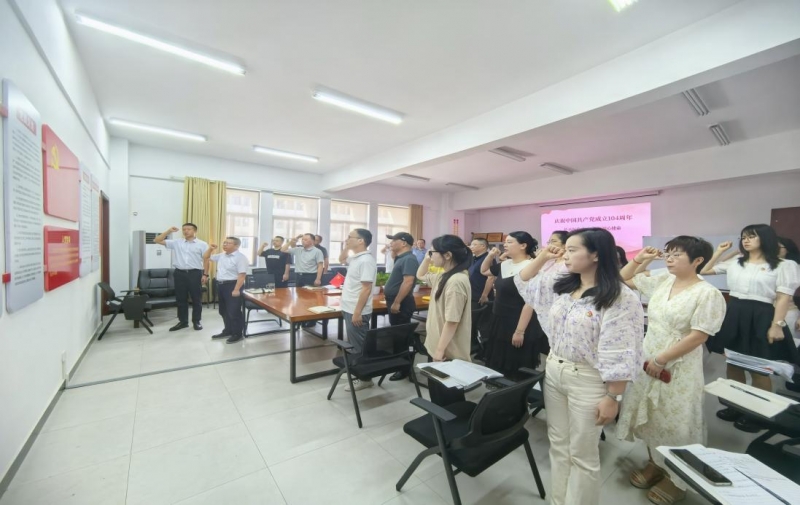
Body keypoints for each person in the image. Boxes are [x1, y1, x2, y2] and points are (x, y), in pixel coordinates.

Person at [519, 228, 644, 505]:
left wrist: (613, 396)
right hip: (555, 370)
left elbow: (622, 350)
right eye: (565, 249)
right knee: (559, 445)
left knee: (583, 454)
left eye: (572, 250)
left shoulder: (620, 297)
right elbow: (524, 280)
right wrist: (543, 256)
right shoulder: (565, 286)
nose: (565, 254)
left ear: (596, 255)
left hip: (588, 379)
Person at [617, 238, 726, 505]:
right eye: (668, 253)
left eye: (677, 255)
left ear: (697, 261)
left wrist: (662, 359)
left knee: (675, 421)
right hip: (648, 355)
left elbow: (699, 335)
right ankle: (656, 463)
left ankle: (677, 479)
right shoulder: (664, 280)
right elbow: (623, 279)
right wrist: (641, 258)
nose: (669, 259)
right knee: (650, 415)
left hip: (678, 363)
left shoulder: (707, 293)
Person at [701, 224, 800, 432]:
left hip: (762, 315)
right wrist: (718, 252)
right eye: (744, 237)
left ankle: (759, 415)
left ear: (765, 238)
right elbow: (704, 270)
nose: (746, 240)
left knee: (758, 369)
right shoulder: (737, 262)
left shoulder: (784, 265)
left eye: (751, 237)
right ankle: (736, 406)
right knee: (733, 364)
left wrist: (777, 325)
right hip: (735, 312)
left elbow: (783, 297)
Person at [479, 231, 545, 378]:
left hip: (519, 322)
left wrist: (520, 331)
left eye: (509, 242)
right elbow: (484, 271)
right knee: (498, 362)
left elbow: (530, 302)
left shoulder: (531, 266)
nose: (505, 245)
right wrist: (490, 256)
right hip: (499, 320)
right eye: (505, 242)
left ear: (523, 245)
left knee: (516, 364)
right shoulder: (505, 264)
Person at [417, 235, 473, 405]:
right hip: (438, 345)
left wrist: (440, 351)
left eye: (433, 252)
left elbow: (452, 321)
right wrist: (428, 258)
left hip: (447, 351)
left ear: (447, 255)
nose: (430, 256)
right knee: (438, 394)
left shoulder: (456, 281)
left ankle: (454, 422)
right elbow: (421, 274)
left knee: (448, 399)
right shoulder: (444, 275)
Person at [517, 230, 569, 357]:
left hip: (562, 316)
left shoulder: (568, 265)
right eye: (549, 241)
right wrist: (541, 258)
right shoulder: (548, 262)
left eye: (554, 241)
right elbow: (524, 278)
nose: (549, 245)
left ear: (565, 244)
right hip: (542, 313)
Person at [337, 229, 377, 391]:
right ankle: (355, 370)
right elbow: (341, 259)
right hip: (349, 307)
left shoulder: (366, 260)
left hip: (357, 310)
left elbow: (366, 289)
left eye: (350, 237)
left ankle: (365, 378)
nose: (347, 239)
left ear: (361, 241)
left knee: (359, 346)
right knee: (354, 343)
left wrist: (357, 312)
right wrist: (347, 246)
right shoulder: (356, 257)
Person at [154, 223, 208, 331]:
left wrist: (205, 274)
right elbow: (157, 240)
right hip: (179, 273)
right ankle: (183, 322)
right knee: (181, 299)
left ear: (195, 231)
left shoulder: (202, 244)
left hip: (195, 273)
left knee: (196, 299)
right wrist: (169, 231)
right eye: (184, 229)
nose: (186, 231)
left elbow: (206, 260)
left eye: (189, 229)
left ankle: (196, 321)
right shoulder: (177, 242)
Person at [384, 232, 420, 380]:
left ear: (404, 243)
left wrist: (397, 301)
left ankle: (404, 369)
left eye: (394, 240)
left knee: (402, 336)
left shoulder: (409, 259)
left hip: (402, 302)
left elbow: (408, 282)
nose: (391, 243)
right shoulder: (402, 258)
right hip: (396, 300)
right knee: (397, 334)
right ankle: (399, 364)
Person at [203, 237, 249, 344]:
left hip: (233, 285)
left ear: (236, 246)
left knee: (234, 311)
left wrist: (236, 289)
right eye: (224, 243)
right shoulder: (222, 255)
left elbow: (242, 275)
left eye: (228, 243)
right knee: (223, 310)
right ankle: (228, 330)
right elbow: (205, 257)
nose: (225, 245)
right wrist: (210, 249)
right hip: (221, 285)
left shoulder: (240, 258)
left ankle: (237, 334)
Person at [778, 237, 800, 345]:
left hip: (788, 313)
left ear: (788, 250)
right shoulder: (763, 266)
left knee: (789, 346)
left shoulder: (794, 266)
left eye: (779, 247)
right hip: (765, 312)